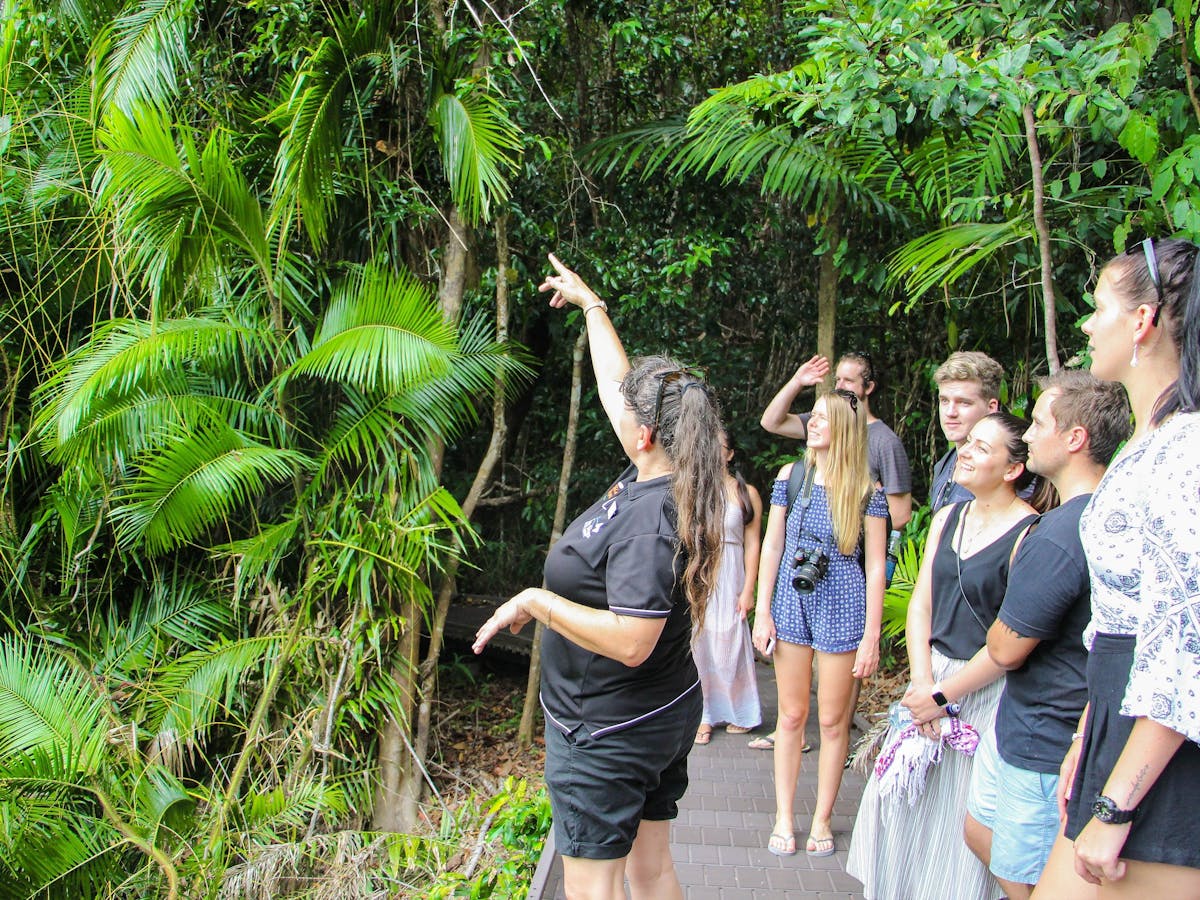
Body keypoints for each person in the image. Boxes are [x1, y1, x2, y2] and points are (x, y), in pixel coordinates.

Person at [472, 254, 727, 900]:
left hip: (609, 729)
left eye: (628, 413)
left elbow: (632, 638)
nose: (619, 412)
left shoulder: (650, 520)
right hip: (657, 712)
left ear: (646, 434)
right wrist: (593, 306)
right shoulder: (673, 478)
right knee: (652, 871)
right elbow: (621, 388)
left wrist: (539, 601)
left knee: (593, 888)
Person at [1033, 238, 1200, 898]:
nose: (1085, 323)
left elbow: (1183, 642)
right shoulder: (1146, 440)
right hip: (1117, 723)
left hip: (1163, 755)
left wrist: (1117, 806)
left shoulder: (1184, 451)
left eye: (1097, 307)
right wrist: (1086, 737)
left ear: (1143, 321)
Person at [848, 411, 1051, 900]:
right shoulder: (948, 516)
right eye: (969, 443)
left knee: (955, 820)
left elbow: (1010, 644)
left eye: (983, 447)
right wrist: (922, 683)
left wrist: (943, 695)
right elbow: (922, 601)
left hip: (982, 690)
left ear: (1012, 469)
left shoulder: (1031, 533)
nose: (966, 451)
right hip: (930, 675)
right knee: (897, 804)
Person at [964, 371, 1130, 900]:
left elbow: (1004, 646)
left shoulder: (1060, 534)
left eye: (1038, 423)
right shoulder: (1101, 515)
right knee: (980, 833)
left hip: (1044, 737)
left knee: (1025, 877)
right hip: (1025, 721)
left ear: (1075, 439)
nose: (1029, 434)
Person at [751, 389, 888, 858]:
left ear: (845, 430)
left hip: (843, 602)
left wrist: (871, 636)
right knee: (791, 715)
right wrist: (761, 609)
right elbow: (772, 545)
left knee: (832, 721)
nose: (813, 424)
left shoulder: (866, 489)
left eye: (824, 419)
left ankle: (822, 819)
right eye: (813, 417)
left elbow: (874, 566)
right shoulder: (792, 476)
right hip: (792, 597)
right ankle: (784, 816)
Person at [760, 352, 913, 529]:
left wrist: (851, 534)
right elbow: (770, 423)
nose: (840, 386)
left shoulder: (885, 441)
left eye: (848, 380)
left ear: (869, 387)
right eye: (837, 379)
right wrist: (797, 382)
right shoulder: (821, 423)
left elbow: (900, 515)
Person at [693, 436, 763, 744]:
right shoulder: (697, 491)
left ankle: (741, 711)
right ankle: (703, 715)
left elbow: (754, 543)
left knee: (730, 644)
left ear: (730, 454)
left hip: (733, 569)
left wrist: (749, 589)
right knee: (699, 643)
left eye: (719, 446)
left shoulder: (746, 493)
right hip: (703, 571)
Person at [929, 351, 1004, 511]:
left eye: (963, 403)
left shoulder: (1003, 470)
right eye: (944, 401)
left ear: (992, 407)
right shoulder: (944, 464)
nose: (950, 412)